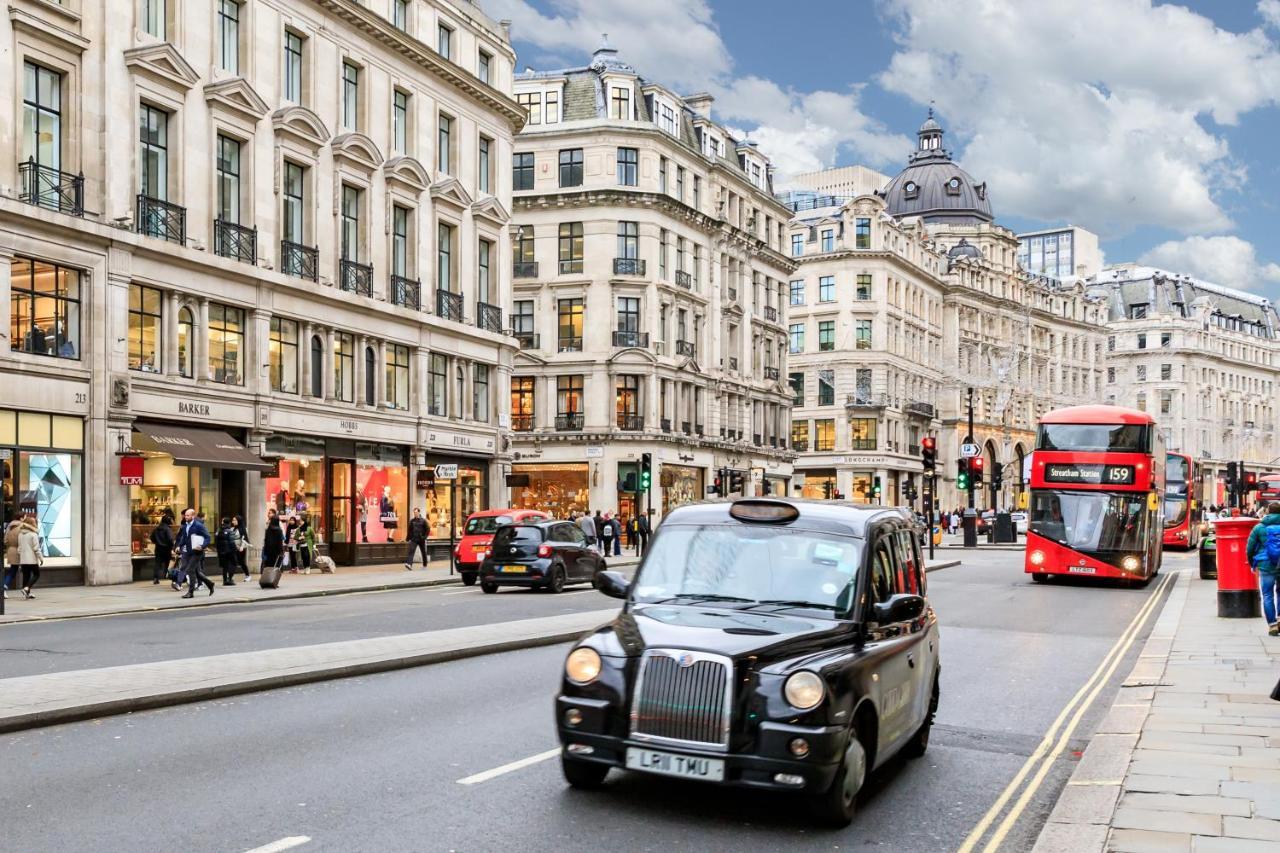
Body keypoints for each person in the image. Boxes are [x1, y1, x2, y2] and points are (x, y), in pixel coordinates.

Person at [1246, 501, 1280, 637]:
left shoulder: (1259, 527)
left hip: (1265, 565)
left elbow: (1249, 548)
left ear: (1268, 512)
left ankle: (1272, 625)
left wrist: (1251, 563)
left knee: (1267, 595)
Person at [175, 509, 215, 598]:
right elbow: (184, 538)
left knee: (189, 570)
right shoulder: (185, 526)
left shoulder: (198, 526)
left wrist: (202, 546)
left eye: (188, 515)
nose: (186, 517)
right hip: (188, 551)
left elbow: (207, 537)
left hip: (197, 552)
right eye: (185, 515)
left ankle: (191, 592)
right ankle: (210, 584)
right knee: (196, 572)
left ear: (193, 516)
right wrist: (179, 546)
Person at [16, 513, 42, 599]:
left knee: (26, 576)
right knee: (36, 574)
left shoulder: (20, 534)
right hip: (32, 559)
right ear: (32, 524)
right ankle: (27, 588)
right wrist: (41, 558)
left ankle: (26, 593)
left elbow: (19, 549)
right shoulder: (33, 534)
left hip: (23, 559)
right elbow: (36, 548)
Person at [150, 513, 175, 584]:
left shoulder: (156, 528)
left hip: (158, 548)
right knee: (167, 562)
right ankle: (166, 575)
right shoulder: (168, 529)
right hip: (167, 548)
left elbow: (152, 538)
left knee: (157, 563)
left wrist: (156, 542)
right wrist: (172, 546)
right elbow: (170, 539)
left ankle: (156, 578)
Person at [215, 517, 239, 586]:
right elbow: (232, 542)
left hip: (222, 551)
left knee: (225, 566)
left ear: (223, 522)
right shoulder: (230, 530)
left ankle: (225, 580)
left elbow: (216, 541)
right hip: (230, 551)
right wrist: (235, 549)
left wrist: (219, 550)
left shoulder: (219, 530)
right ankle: (230, 578)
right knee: (234, 564)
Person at [4, 515, 23, 598]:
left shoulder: (9, 526)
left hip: (11, 550)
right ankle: (4, 586)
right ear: (21, 518)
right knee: (27, 570)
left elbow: (5, 540)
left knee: (13, 569)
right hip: (20, 551)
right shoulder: (22, 526)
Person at [233, 515, 251, 581]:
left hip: (241, 548)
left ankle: (247, 575)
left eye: (235, 520)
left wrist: (242, 547)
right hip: (234, 547)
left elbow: (244, 538)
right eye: (233, 520)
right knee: (233, 561)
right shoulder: (233, 529)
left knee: (241, 562)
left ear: (239, 521)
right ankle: (230, 576)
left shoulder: (243, 528)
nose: (233, 522)